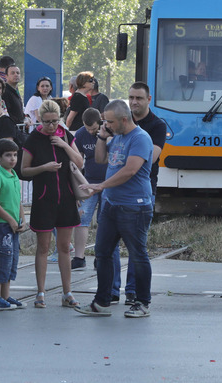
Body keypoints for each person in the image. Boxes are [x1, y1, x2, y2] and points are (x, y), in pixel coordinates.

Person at [75, 100, 154, 318]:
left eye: (110, 121)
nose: (107, 124)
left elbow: (130, 170)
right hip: (111, 205)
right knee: (103, 253)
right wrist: (101, 136)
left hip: (134, 207)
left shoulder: (140, 138)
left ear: (124, 119)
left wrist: (101, 185)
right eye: (105, 121)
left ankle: (142, 302)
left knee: (138, 255)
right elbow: (100, 158)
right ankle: (102, 301)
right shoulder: (116, 136)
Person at [21, 99, 84, 309]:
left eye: (55, 121)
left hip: (66, 198)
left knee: (65, 247)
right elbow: (24, 170)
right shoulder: (34, 139)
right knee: (43, 248)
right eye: (47, 122)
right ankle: (40, 292)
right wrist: (43, 167)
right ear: (39, 119)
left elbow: (80, 162)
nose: (51, 126)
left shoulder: (65, 135)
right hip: (43, 199)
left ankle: (68, 292)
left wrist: (64, 144)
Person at [108, 81, 167, 305]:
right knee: (107, 245)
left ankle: (132, 291)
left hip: (142, 190)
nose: (134, 102)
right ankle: (112, 290)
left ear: (148, 100)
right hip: (115, 190)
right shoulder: (120, 122)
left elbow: (148, 160)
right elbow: (108, 157)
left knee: (136, 245)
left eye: (139, 98)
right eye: (131, 97)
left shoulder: (156, 126)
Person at [0, 138, 28, 310]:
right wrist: (10, 220)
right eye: (8, 155)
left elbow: (17, 200)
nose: (12, 159)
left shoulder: (13, 174)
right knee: (1, 258)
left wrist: (22, 218)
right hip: (2, 225)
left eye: (15, 155)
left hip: (13, 224)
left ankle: (5, 296)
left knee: (11, 260)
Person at [72, 108, 106, 270]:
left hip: (108, 182)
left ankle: (101, 256)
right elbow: (77, 162)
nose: (90, 132)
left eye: (93, 129)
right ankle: (79, 257)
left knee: (104, 221)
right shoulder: (80, 134)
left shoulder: (109, 131)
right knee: (82, 218)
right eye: (87, 128)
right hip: (89, 182)